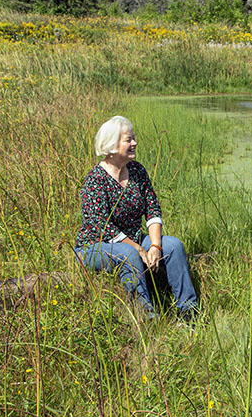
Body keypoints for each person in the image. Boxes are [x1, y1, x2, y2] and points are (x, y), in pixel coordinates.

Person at [75, 115, 198, 320]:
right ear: (112, 145)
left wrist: (155, 246)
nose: (135, 143)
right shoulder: (95, 179)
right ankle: (147, 316)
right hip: (94, 246)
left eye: (134, 138)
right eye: (128, 140)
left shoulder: (137, 171)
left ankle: (188, 312)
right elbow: (102, 226)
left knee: (174, 246)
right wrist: (139, 248)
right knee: (127, 254)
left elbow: (153, 209)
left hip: (133, 238)